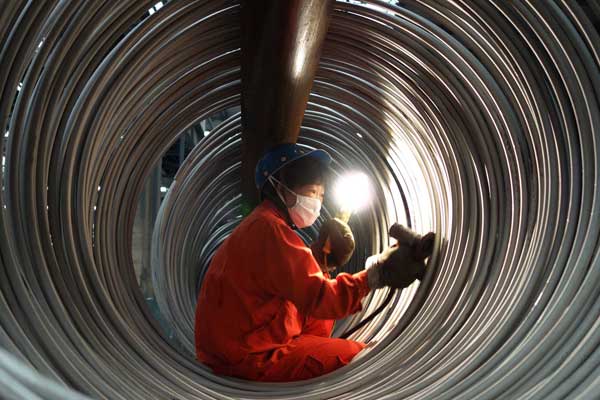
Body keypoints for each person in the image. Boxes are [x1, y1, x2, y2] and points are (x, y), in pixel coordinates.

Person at [194, 143, 430, 382]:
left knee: (321, 318)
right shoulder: (269, 231)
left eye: (321, 195)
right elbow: (321, 297)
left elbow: (291, 279)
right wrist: (377, 273)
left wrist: (319, 261)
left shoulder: (263, 224)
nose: (316, 201)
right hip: (248, 356)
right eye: (310, 192)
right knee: (359, 356)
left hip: (239, 341)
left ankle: (315, 351)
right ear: (279, 188)